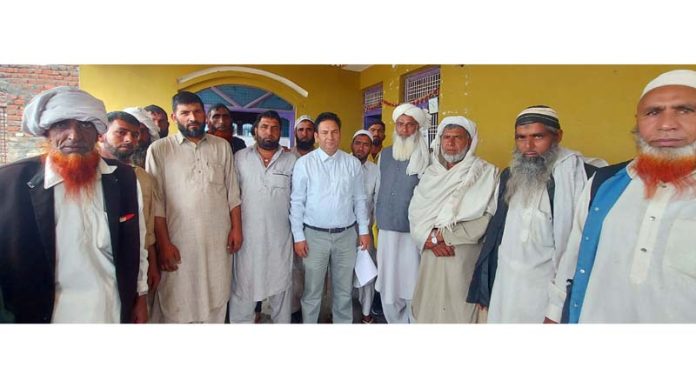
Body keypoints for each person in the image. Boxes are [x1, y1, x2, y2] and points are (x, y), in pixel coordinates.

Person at [545, 69, 696, 323]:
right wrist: (554, 314)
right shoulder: (605, 183)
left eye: (685, 110)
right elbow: (574, 254)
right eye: (653, 112)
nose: (666, 124)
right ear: (638, 122)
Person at [0, 86, 147, 323]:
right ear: (47, 132)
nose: (74, 136)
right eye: (61, 125)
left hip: (109, 307)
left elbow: (137, 243)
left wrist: (140, 296)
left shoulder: (124, 178)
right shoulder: (10, 183)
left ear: (99, 132)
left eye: (85, 125)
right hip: (45, 314)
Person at [466, 106, 590, 323]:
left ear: (557, 136)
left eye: (538, 137)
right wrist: (484, 285)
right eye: (521, 138)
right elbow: (497, 234)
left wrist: (557, 306)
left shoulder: (575, 177)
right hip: (506, 284)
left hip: (545, 291)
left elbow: (575, 245)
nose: (528, 146)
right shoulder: (510, 175)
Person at [146, 91, 242, 323]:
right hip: (179, 241)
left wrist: (237, 228)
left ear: (204, 115)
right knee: (177, 299)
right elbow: (156, 203)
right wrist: (164, 244)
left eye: (197, 112)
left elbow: (232, 191)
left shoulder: (221, 147)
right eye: (185, 113)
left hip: (217, 241)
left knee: (216, 294)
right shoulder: (159, 150)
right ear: (174, 117)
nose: (192, 118)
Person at [409, 116, 498, 323]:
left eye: (457, 138)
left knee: (460, 310)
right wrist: (429, 239)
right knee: (430, 307)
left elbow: (487, 217)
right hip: (430, 253)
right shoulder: (430, 174)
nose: (450, 143)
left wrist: (444, 237)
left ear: (470, 142)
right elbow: (415, 213)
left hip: (462, 254)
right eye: (446, 137)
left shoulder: (486, 173)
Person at [290, 112, 370, 324]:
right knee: (312, 292)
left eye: (334, 132)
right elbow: (297, 202)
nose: (330, 137)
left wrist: (363, 231)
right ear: (316, 136)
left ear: (340, 134)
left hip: (346, 236)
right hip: (313, 237)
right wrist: (298, 236)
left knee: (343, 292)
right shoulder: (305, 164)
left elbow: (360, 199)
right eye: (324, 132)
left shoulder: (352, 164)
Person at [228, 110, 296, 323]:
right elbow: (232, 197)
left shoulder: (292, 160)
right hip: (247, 238)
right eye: (264, 127)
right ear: (255, 130)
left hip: (280, 238)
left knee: (281, 288)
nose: (270, 132)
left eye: (275, 127)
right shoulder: (240, 158)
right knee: (244, 287)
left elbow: (298, 200)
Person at [374, 103, 431, 323]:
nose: (405, 130)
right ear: (395, 127)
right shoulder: (385, 155)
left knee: (412, 283)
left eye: (410, 125)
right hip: (387, 229)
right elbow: (379, 188)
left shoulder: (428, 157)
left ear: (417, 127)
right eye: (400, 124)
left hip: (413, 233)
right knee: (389, 282)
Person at [100, 111, 161, 311]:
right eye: (121, 132)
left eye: (135, 135)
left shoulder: (142, 177)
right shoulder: (86, 175)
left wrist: (152, 265)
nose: (129, 139)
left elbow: (147, 229)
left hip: (135, 266)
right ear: (102, 134)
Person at [350, 129, 380, 323]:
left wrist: (374, 231)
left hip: (365, 231)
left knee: (366, 272)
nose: (361, 147)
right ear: (352, 145)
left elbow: (377, 201)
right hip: (341, 229)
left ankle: (366, 314)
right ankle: (340, 314)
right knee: (340, 272)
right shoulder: (342, 164)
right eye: (358, 143)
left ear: (371, 148)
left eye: (366, 144)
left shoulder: (375, 170)